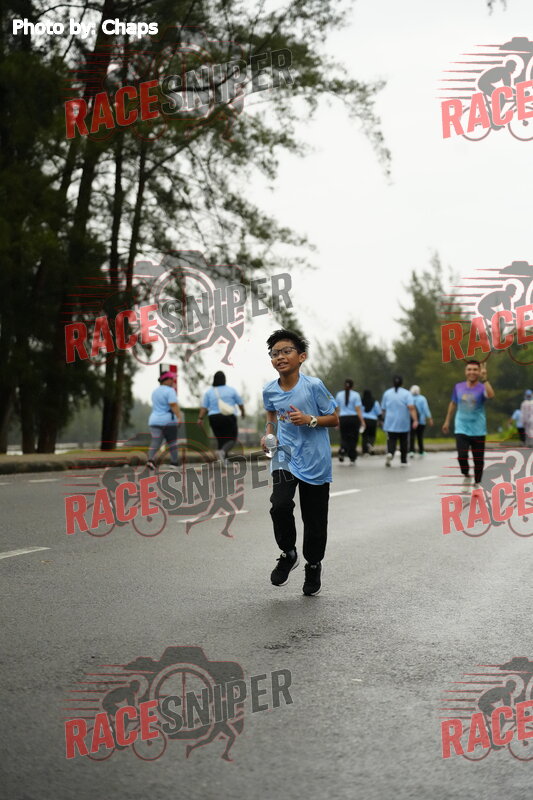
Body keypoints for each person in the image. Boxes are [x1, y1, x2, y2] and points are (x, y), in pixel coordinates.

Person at [261, 329, 338, 596]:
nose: (280, 357)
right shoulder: (269, 390)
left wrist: (310, 420)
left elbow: (334, 418)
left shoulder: (313, 386)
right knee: (279, 505)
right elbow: (271, 414)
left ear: (301, 357)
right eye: (274, 353)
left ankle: (313, 564)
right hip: (284, 455)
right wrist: (269, 433)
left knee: (314, 519)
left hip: (315, 458)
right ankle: (288, 553)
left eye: (286, 351)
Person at [442, 360, 495, 493]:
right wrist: (447, 421)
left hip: (478, 429)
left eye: (475, 370)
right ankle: (466, 476)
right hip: (461, 427)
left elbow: (491, 395)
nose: (472, 372)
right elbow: (453, 403)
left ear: (479, 372)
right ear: (465, 371)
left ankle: (477, 483)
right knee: (462, 456)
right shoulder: (458, 387)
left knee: (478, 460)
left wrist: (485, 379)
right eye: (469, 369)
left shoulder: (482, 387)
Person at [198, 371, 245, 461]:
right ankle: (222, 452)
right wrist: (243, 413)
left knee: (221, 439)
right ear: (224, 379)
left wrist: (200, 418)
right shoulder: (231, 390)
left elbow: (204, 407)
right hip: (228, 417)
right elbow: (240, 404)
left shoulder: (209, 392)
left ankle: (222, 460)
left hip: (214, 418)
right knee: (232, 439)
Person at [146, 371, 183, 470]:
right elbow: (173, 405)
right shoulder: (170, 391)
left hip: (154, 421)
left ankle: (150, 460)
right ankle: (174, 463)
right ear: (166, 380)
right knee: (172, 442)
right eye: (172, 379)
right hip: (168, 421)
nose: (173, 381)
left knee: (155, 441)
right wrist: (179, 417)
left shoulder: (155, 391)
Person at [381, 376, 417, 467]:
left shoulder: (387, 393)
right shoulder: (407, 393)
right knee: (404, 441)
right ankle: (403, 460)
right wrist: (415, 420)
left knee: (391, 440)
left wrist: (382, 419)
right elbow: (411, 407)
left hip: (390, 421)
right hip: (403, 421)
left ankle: (390, 453)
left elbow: (383, 409)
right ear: (402, 383)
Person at [334, 379, 365, 464]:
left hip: (343, 418)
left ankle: (342, 450)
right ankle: (352, 456)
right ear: (352, 386)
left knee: (344, 437)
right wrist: (362, 421)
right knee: (353, 438)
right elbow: (358, 409)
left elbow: (337, 409)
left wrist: (336, 421)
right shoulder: (356, 395)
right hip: (353, 419)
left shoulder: (339, 394)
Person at [408, 385, 434, 457]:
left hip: (411, 420)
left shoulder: (409, 398)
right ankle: (421, 451)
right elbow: (426, 409)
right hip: (421, 421)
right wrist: (430, 418)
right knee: (420, 436)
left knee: (411, 436)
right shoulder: (422, 398)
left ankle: (411, 451)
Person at [361, 389, 381, 455]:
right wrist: (380, 420)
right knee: (372, 435)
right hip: (373, 421)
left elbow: (359, 411)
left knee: (364, 436)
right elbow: (379, 413)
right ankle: (370, 445)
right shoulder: (375, 402)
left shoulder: (360, 402)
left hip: (364, 420)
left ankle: (365, 451)